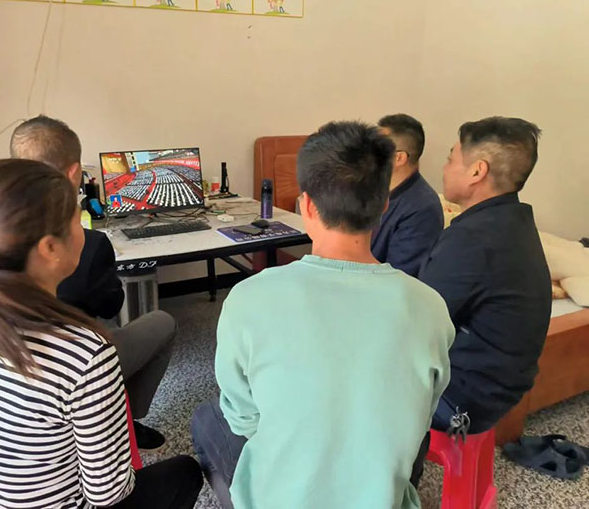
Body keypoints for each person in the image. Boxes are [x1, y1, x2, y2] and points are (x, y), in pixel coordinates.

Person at [191, 121, 454, 509]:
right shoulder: (430, 306)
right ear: (383, 204)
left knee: (205, 418)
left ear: (307, 206)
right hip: (384, 498)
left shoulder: (248, 298)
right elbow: (420, 414)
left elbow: (244, 419)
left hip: (277, 500)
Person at [0, 159, 202, 509]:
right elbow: (107, 493)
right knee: (185, 471)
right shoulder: (85, 353)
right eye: (77, 219)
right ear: (50, 248)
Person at [10, 115, 174, 450]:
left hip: (8, 369)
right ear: (74, 174)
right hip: (73, 364)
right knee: (159, 322)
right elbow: (111, 305)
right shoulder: (86, 243)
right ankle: (124, 420)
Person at [419, 116, 552, 435]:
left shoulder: (474, 240)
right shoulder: (512, 220)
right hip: (501, 386)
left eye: (451, 159)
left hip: (464, 399)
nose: (444, 168)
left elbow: (420, 324)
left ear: (477, 171)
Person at [372, 114, 443, 277]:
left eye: (376, 149)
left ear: (399, 158)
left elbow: (400, 276)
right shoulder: (373, 189)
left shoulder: (423, 208)